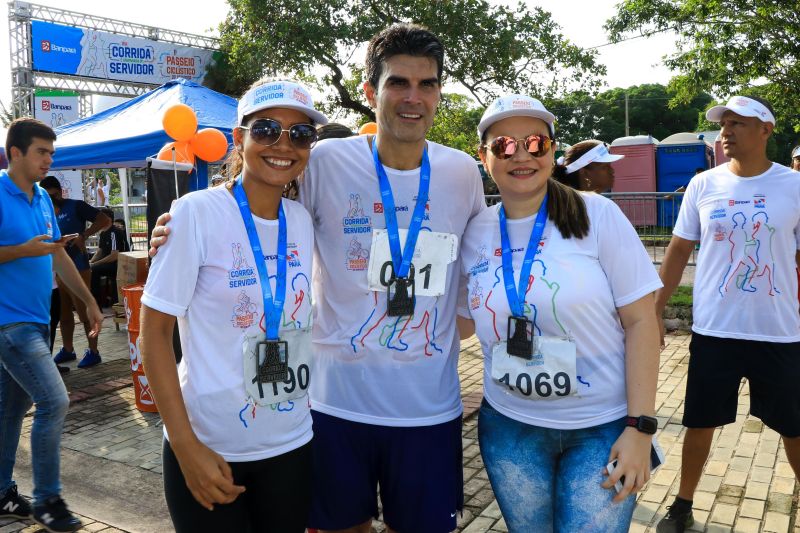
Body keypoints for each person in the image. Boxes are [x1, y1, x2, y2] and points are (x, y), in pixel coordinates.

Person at [150, 24, 486, 533]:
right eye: (398, 82)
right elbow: (257, 207)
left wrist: (447, 326)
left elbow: (480, 263)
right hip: (331, 407)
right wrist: (178, 225)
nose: (412, 97)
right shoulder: (327, 160)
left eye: (427, 84)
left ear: (440, 92)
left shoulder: (462, 172)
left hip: (426, 409)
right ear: (372, 92)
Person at [459, 95, 662, 531]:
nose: (521, 155)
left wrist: (641, 429)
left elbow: (643, 322)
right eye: (503, 146)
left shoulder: (598, 214)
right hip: (510, 427)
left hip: (601, 428)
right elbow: (459, 322)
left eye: (534, 142)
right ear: (484, 157)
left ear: (551, 149)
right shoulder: (474, 230)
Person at [139, 78, 327, 533]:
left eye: (300, 134)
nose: (283, 144)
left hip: (292, 444)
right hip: (210, 447)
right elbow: (155, 333)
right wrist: (185, 446)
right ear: (239, 137)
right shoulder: (195, 214)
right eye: (266, 129)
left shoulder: (301, 220)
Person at [655, 95, 800, 533]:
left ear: (766, 131)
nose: (726, 132)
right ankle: (682, 504)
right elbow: (679, 250)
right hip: (716, 329)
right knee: (700, 421)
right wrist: (655, 312)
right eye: (723, 125)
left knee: (794, 427)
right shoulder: (704, 185)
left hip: (778, 331)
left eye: (738, 124)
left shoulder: (793, 186)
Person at [0, 117, 103, 532]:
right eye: (42, 152)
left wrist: (90, 300)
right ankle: (48, 499)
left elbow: (57, 254)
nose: (49, 160)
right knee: (55, 401)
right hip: (10, 325)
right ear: (15, 153)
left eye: (51, 153)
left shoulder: (43, 198)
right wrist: (23, 250)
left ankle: (2, 492)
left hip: (37, 320)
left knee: (10, 411)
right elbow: (32, 250)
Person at [39, 176, 110, 369]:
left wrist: (84, 236)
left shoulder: (76, 205)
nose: (51, 201)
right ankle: (68, 349)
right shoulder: (44, 210)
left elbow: (104, 219)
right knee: (63, 313)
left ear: (60, 192)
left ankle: (94, 351)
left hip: (78, 265)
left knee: (84, 311)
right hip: (57, 269)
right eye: (47, 197)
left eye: (53, 196)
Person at [89, 207, 130, 308]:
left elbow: (114, 255)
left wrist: (94, 264)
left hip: (120, 264)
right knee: (89, 267)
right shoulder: (103, 233)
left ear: (108, 219)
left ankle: (97, 305)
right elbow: (100, 251)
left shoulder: (114, 232)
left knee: (94, 270)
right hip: (110, 263)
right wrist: (90, 261)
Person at [553, 140, 623, 193]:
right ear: (585, 173)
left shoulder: (563, 201)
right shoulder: (604, 205)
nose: (612, 171)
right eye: (605, 167)